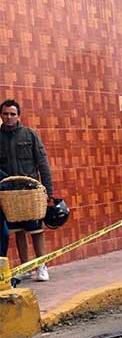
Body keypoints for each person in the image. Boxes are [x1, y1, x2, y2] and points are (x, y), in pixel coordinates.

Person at [0, 99, 54, 281]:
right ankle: (26, 267)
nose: (9, 117)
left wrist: (48, 190)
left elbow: (43, 162)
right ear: (1, 115)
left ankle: (42, 266)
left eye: (12, 114)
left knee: (36, 230)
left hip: (30, 191)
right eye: (5, 114)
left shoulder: (29, 135)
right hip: (8, 193)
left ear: (18, 116)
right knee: (18, 232)